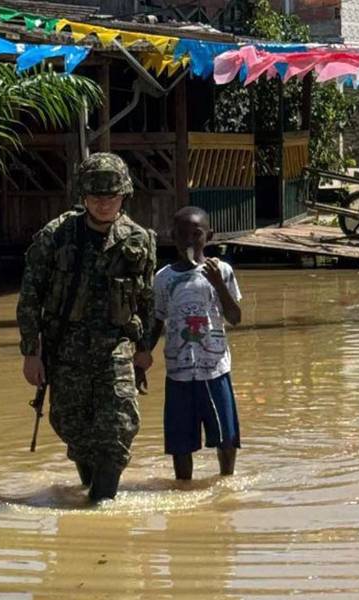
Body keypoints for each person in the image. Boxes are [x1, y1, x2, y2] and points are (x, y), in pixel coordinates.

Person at [16, 152, 157, 503]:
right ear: (83, 197)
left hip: (116, 346)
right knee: (73, 427)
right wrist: (31, 352)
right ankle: (91, 490)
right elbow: (30, 295)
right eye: (96, 197)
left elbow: (147, 299)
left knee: (119, 426)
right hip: (66, 347)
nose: (104, 204)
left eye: (111, 196)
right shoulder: (57, 235)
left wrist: (144, 349)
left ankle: (100, 506)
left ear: (124, 195)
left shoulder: (138, 240)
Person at [147, 207, 243, 481]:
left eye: (196, 234)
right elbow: (157, 320)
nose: (189, 240)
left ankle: (227, 482)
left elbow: (235, 317)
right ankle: (183, 487)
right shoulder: (164, 278)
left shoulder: (221, 271)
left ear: (209, 236)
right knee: (180, 442)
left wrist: (217, 284)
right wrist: (143, 357)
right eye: (182, 234)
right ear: (172, 237)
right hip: (178, 372)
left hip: (214, 369)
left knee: (226, 436)